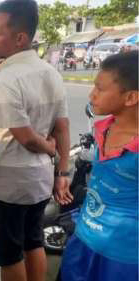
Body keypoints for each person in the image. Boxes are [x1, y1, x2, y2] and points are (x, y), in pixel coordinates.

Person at [0, 1, 71, 281]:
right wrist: (61, 170)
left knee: (10, 255)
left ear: (20, 38)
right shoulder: (51, 73)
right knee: (33, 241)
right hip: (39, 181)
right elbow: (63, 127)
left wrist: (47, 148)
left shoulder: (8, 77)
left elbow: (26, 138)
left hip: (9, 184)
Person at [61, 51, 138, 281]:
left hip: (123, 259)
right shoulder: (103, 128)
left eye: (100, 89)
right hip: (83, 241)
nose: (91, 94)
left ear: (131, 98)